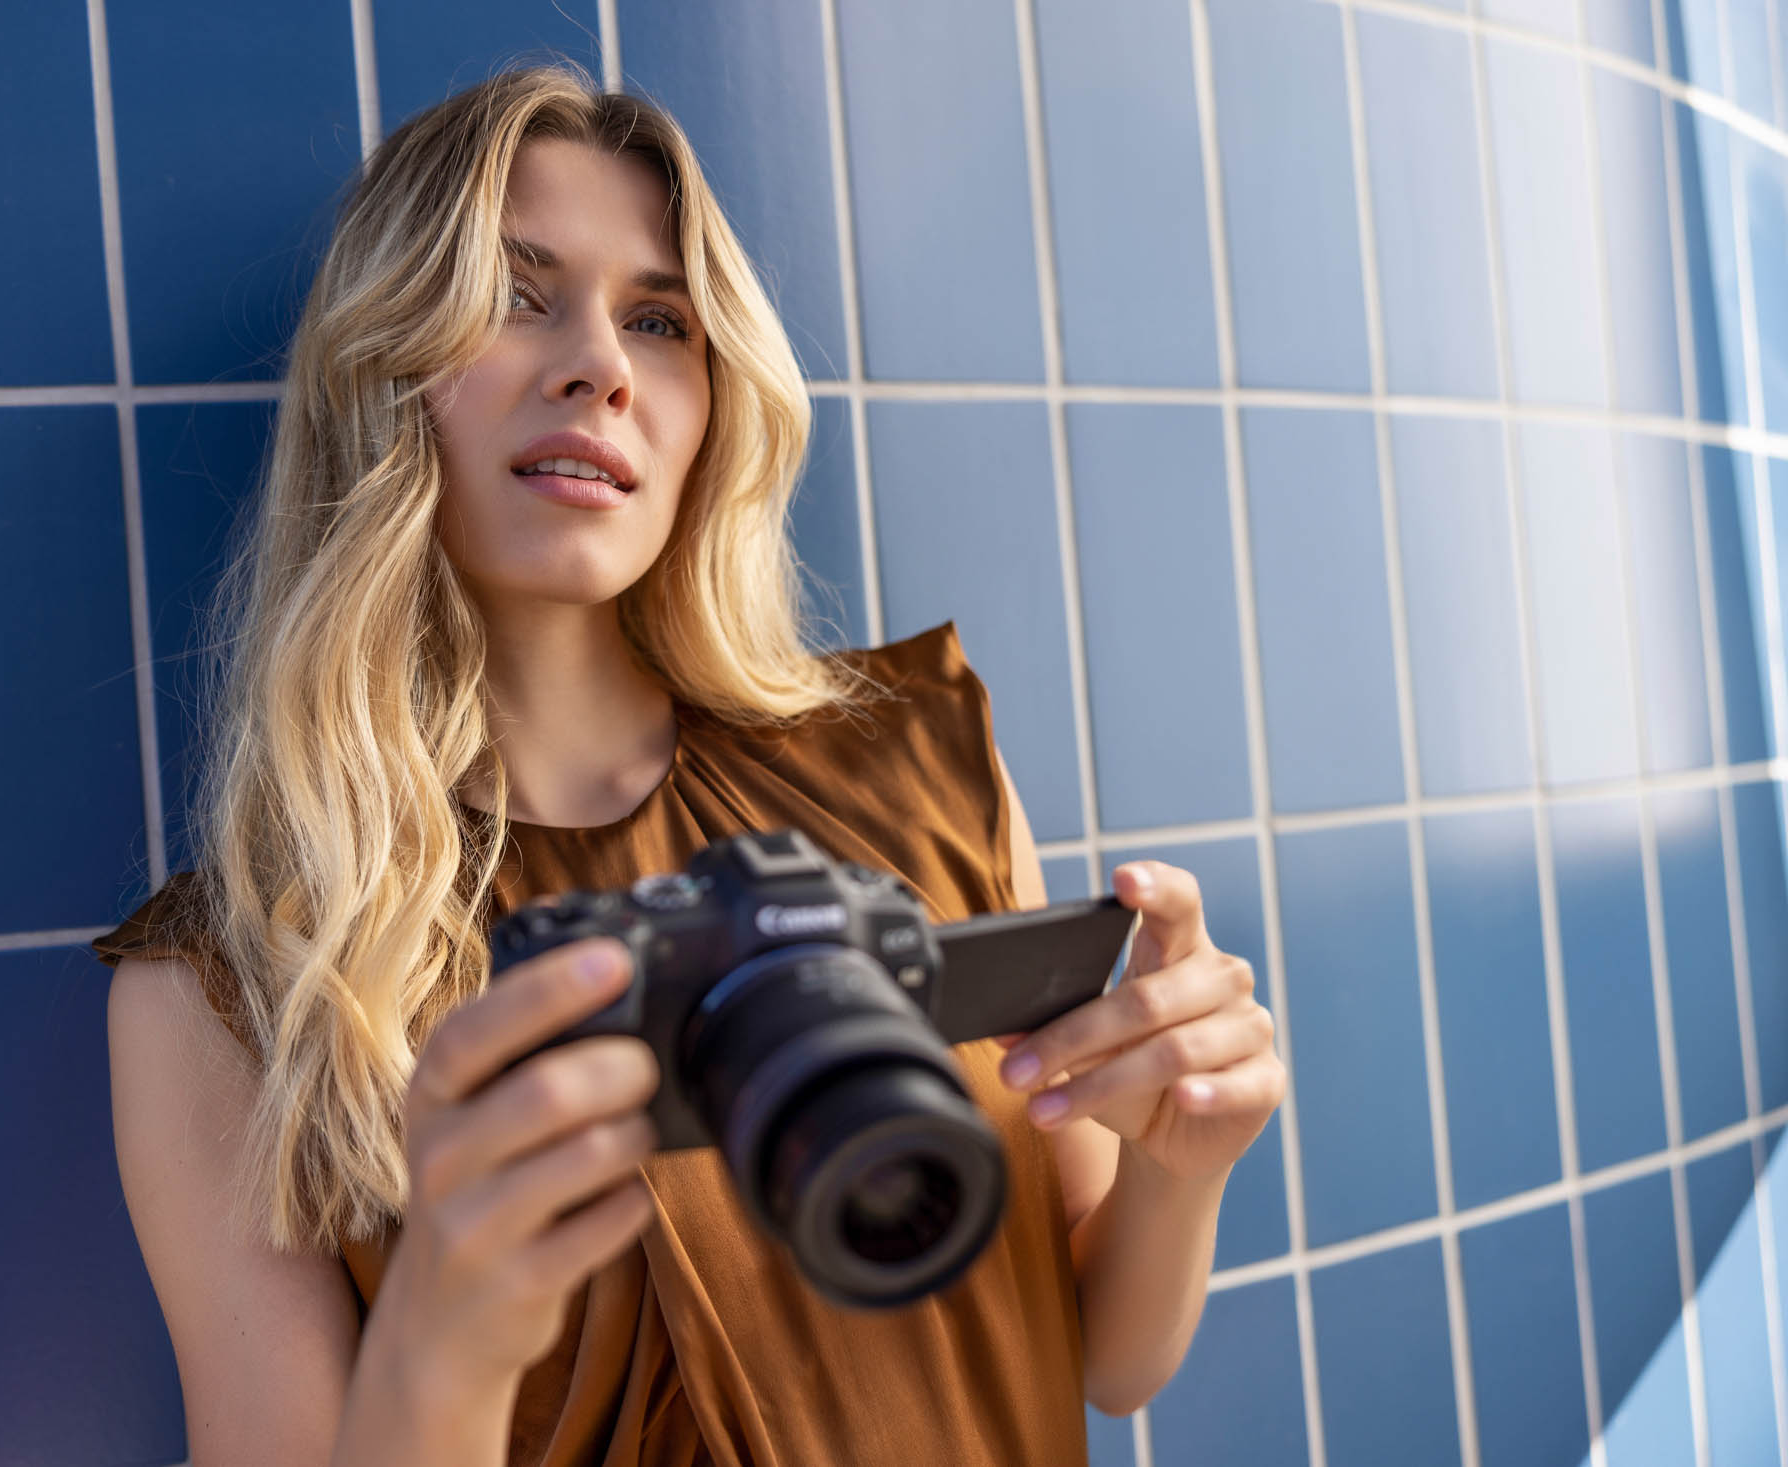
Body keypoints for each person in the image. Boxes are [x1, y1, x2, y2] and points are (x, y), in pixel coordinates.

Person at [93, 64, 1286, 1467]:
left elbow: (1098, 1349)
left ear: (710, 404)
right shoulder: (234, 985)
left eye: (658, 320)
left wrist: (1183, 1162)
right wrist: (448, 1337)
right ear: (385, 368)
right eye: (519, 292)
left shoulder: (918, 763)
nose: (599, 362)